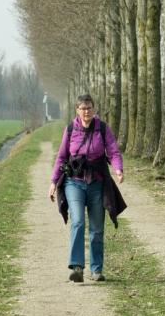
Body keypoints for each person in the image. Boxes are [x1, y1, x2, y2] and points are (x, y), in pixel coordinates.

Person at [48, 94, 125, 283]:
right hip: (74, 183)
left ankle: (96, 270)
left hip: (97, 183)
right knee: (78, 222)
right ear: (77, 110)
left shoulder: (102, 128)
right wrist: (53, 181)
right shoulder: (70, 129)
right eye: (83, 108)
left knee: (97, 228)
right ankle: (77, 267)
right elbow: (61, 157)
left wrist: (118, 168)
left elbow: (113, 151)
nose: (86, 111)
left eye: (89, 107)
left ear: (94, 109)